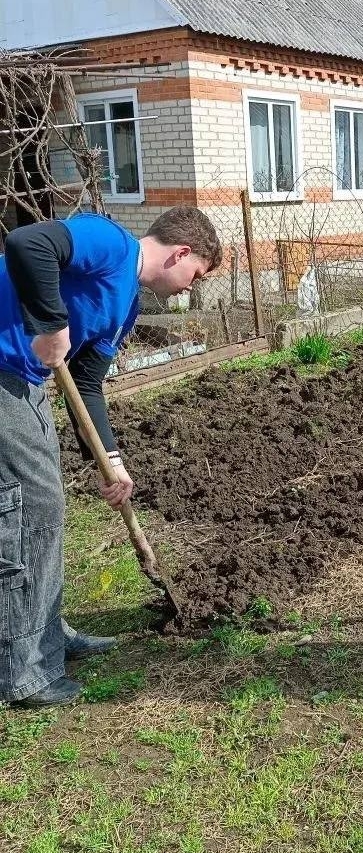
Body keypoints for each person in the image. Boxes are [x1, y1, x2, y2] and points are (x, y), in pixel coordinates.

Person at [0, 206, 222, 707]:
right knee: (33, 509)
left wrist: (113, 460)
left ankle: (44, 632)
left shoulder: (125, 309)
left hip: (24, 380)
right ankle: (26, 670)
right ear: (181, 253)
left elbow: (86, 385)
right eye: (197, 274)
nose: (193, 287)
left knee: (37, 507)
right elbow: (26, 244)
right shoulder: (110, 242)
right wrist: (52, 325)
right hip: (3, 370)